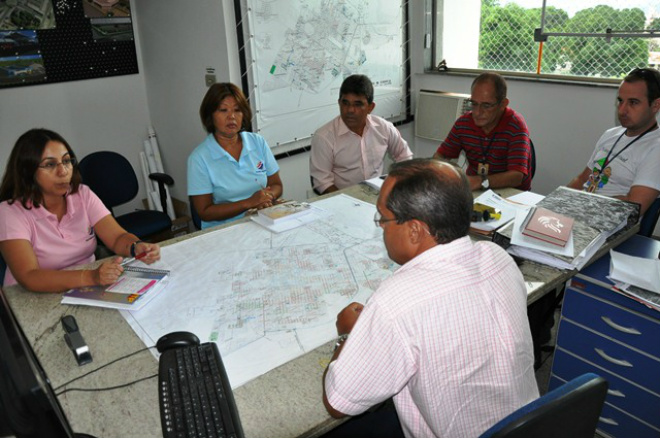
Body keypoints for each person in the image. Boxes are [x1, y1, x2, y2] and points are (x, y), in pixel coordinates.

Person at [322, 158, 538, 438]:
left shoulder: (397, 300)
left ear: (414, 230)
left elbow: (337, 403)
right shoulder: (497, 257)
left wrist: (347, 335)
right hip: (530, 425)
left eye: (383, 219)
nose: (381, 228)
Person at [0, 128, 161, 292]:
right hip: (31, 297)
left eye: (67, 161)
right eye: (50, 164)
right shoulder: (10, 212)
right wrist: (90, 277)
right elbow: (29, 276)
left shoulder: (82, 194)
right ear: (28, 171)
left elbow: (117, 237)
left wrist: (136, 246)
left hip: (85, 287)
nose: (63, 171)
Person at [188, 83, 283, 229]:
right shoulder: (199, 158)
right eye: (223, 110)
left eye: (237, 110)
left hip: (262, 220)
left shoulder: (257, 142)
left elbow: (276, 185)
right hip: (223, 230)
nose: (231, 116)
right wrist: (249, 202)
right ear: (210, 115)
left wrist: (266, 197)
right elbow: (205, 212)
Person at [567, 67, 660, 216]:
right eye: (620, 101)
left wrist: (582, 206)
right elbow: (582, 179)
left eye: (633, 102)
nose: (622, 110)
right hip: (581, 212)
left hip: (609, 223)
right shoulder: (611, 135)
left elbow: (633, 207)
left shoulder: (656, 147)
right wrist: (557, 204)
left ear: (655, 105)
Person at [310, 74, 413, 194]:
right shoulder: (324, 137)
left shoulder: (384, 128)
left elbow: (404, 156)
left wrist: (395, 186)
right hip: (341, 198)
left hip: (377, 196)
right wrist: (347, 202)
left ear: (370, 107)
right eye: (345, 103)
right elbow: (322, 182)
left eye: (357, 104)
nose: (350, 110)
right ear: (339, 103)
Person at [433, 72, 532, 191]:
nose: (478, 112)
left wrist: (480, 181)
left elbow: (517, 176)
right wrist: (448, 172)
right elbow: (440, 156)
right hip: (476, 189)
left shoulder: (516, 126)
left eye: (486, 105)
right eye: (474, 104)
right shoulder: (464, 123)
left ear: (503, 104)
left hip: (511, 193)